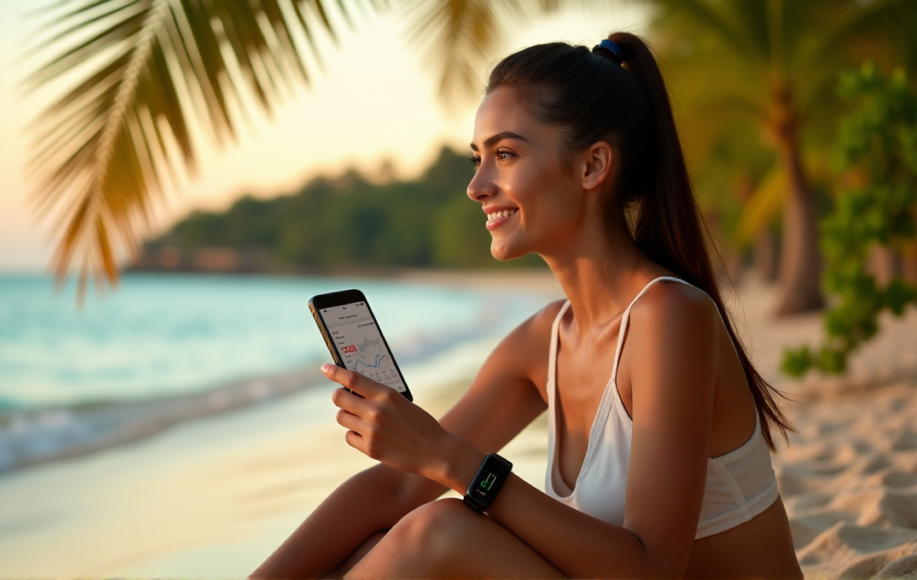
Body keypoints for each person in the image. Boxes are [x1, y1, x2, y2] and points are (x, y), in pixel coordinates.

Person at [252, 32, 802, 579]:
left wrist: (451, 458)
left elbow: (650, 569)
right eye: (478, 158)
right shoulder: (545, 340)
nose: (476, 186)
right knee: (366, 547)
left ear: (591, 166)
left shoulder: (670, 317)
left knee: (439, 529)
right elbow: (397, 487)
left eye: (505, 155)